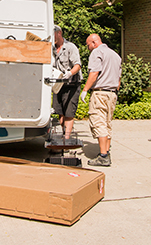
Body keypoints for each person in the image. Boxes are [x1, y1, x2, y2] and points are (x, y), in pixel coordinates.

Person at [80, 34, 121, 167]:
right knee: (107, 123)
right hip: (112, 94)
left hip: (100, 93)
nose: (88, 48)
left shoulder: (97, 52)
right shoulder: (115, 55)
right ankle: (106, 152)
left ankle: (103, 156)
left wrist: (85, 90)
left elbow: (94, 72)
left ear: (94, 42)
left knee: (98, 122)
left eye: (88, 45)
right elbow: (119, 79)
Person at [52, 25, 82, 139]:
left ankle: (67, 138)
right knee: (60, 111)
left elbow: (77, 65)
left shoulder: (70, 47)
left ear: (59, 33)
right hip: (58, 85)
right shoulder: (52, 48)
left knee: (69, 113)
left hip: (72, 85)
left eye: (53, 34)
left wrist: (70, 73)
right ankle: (64, 133)